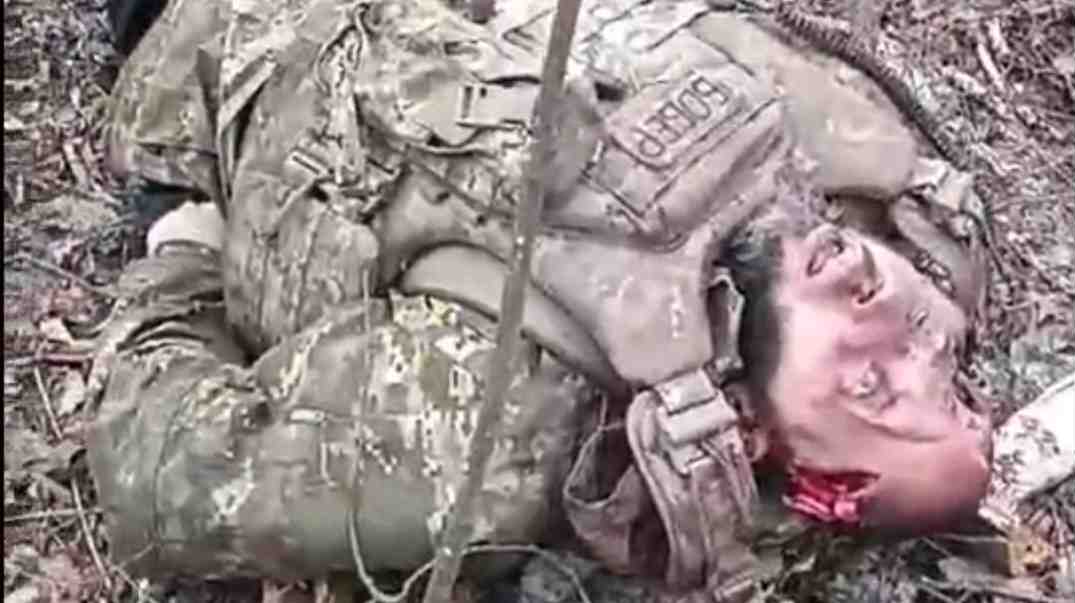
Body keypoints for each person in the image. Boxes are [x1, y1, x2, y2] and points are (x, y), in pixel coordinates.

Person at [86, 0, 996, 601]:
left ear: (755, 436)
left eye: (869, 385)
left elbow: (161, 478)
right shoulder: (847, 169)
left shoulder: (494, 430)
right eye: (935, 346)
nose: (885, 304)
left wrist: (183, 249)